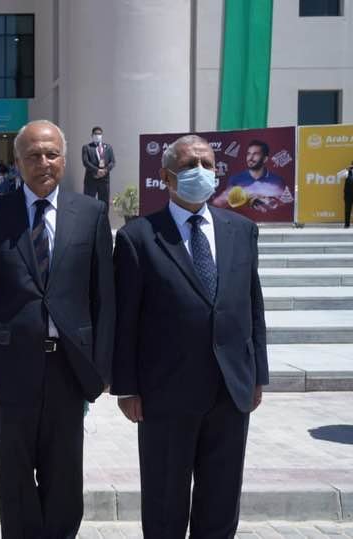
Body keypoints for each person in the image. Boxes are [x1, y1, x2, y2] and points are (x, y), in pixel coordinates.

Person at [0, 120, 114, 538]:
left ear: (64, 159)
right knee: (14, 476)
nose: (43, 162)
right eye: (33, 155)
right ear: (17, 163)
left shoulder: (91, 214)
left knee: (65, 475)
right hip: (10, 370)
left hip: (69, 368)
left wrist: (102, 369)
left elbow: (104, 296)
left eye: (51, 154)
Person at [112, 134, 269, 538]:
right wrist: (127, 387)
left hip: (230, 389)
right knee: (165, 503)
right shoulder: (138, 237)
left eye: (206, 164)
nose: (200, 171)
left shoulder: (241, 230)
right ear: (166, 177)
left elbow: (252, 305)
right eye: (188, 165)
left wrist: (257, 375)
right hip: (165, 394)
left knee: (221, 502)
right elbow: (125, 319)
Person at [81, 126, 115, 207]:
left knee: (104, 203)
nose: (98, 136)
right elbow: (86, 162)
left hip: (104, 180)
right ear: (92, 135)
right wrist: (97, 171)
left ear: (102, 135)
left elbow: (112, 162)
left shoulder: (108, 147)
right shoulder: (87, 147)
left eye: (99, 134)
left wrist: (105, 171)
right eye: (96, 134)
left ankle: (104, 216)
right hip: (91, 180)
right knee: (88, 203)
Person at [341, 160, 353, 228]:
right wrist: (346, 169)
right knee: (347, 209)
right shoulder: (347, 172)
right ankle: (347, 224)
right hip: (348, 195)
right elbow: (338, 175)